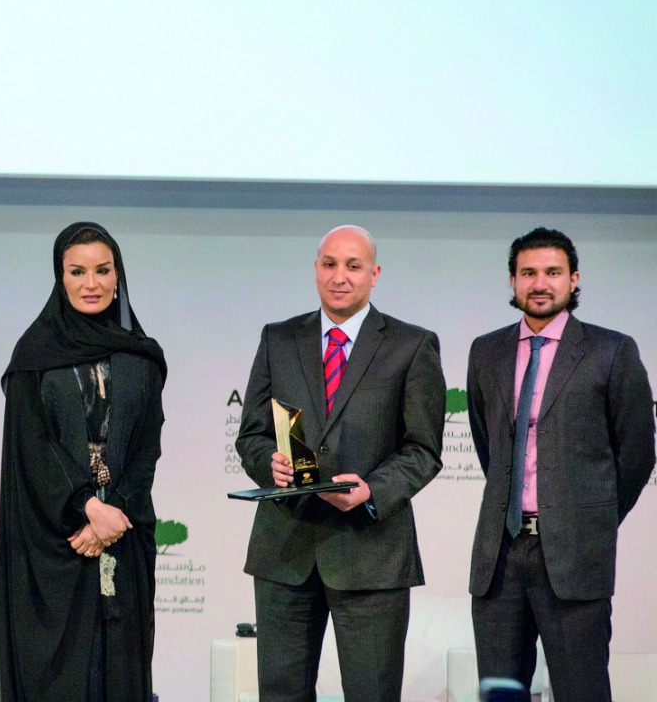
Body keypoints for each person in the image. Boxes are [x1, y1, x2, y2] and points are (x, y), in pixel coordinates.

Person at [235, 224, 445, 702]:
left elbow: (423, 449)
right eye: (329, 264)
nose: (340, 276)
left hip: (371, 552)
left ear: (374, 274)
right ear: (315, 270)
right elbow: (251, 434)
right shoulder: (278, 338)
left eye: (353, 266)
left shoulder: (412, 345)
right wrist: (270, 464)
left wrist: (373, 489)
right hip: (285, 551)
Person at [467, 227, 655, 701]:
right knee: (500, 693)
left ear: (574, 280)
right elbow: (488, 444)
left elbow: (636, 453)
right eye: (528, 273)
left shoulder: (611, 351)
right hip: (501, 558)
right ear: (512, 282)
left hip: (575, 558)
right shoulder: (485, 351)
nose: (539, 283)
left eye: (552, 272)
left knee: (582, 691)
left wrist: (591, 520)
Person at [0, 222, 167, 702]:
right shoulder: (34, 355)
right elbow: (32, 446)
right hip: (54, 537)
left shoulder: (143, 355)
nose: (91, 283)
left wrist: (116, 512)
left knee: (121, 667)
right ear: (59, 278)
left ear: (118, 276)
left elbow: (147, 448)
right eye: (77, 271)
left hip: (125, 531)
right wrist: (88, 507)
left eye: (102, 270)